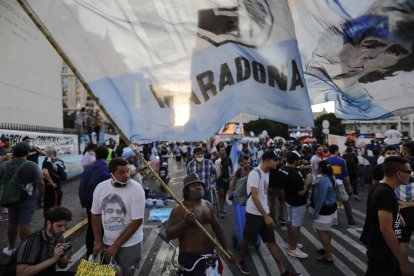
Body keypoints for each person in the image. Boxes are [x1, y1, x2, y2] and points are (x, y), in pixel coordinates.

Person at [238, 151, 299, 276]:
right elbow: (255, 197)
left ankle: (283, 270)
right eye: (274, 160)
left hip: (265, 212)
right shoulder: (255, 174)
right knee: (247, 238)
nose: (277, 162)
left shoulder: (268, 172)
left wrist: (267, 213)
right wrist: (266, 216)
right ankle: (240, 260)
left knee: (271, 240)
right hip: (254, 213)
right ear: (267, 160)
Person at [166, 173, 234, 275]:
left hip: (210, 256)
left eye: (200, 184)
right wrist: (184, 223)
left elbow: (217, 227)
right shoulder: (179, 209)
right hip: (191, 260)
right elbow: (169, 234)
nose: (199, 186)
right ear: (187, 190)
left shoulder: (207, 204)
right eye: (194, 185)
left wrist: (226, 248)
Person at [91, 157, 145, 276]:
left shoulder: (136, 189)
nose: (126, 175)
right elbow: (95, 215)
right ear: (111, 174)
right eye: (121, 172)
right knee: (108, 273)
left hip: (130, 245)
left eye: (127, 171)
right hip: (107, 242)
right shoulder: (101, 187)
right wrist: (98, 241)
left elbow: (137, 221)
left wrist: (115, 245)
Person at [362, 156, 414, 276]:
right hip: (383, 252)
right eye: (409, 171)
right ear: (399, 173)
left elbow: (378, 211)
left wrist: (396, 214)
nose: (410, 175)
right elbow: (385, 229)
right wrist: (403, 262)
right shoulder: (385, 193)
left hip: (382, 249)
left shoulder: (379, 187)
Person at [1, 142, 44, 257]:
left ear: (14, 152)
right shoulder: (31, 165)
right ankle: (25, 249)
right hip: (27, 199)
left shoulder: (5, 165)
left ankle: (11, 248)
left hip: (10, 198)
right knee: (25, 223)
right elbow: (40, 183)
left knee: (12, 222)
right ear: (27, 152)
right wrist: (41, 196)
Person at [15, 207, 74, 276]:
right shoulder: (33, 240)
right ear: (49, 223)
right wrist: (53, 259)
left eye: (65, 226)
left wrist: (65, 259)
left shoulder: (59, 237)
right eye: (59, 226)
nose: (63, 230)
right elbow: (20, 273)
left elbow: (62, 266)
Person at [280, 151, 312, 259]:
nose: (299, 161)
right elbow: (301, 192)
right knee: (296, 226)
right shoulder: (294, 174)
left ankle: (290, 243)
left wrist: (301, 169)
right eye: (298, 160)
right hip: (298, 202)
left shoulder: (283, 168)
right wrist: (307, 183)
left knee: (290, 222)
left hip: (289, 200)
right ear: (295, 161)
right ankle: (293, 250)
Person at [79, 145, 110, 257]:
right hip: (104, 205)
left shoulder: (88, 169)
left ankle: (89, 253)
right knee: (104, 229)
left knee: (91, 228)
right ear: (107, 155)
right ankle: (104, 255)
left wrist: (83, 201)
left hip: (89, 203)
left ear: (96, 155)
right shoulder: (108, 168)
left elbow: (82, 186)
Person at [312, 160, 337, 264]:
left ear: (321, 169)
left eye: (318, 167)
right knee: (326, 230)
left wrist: (315, 213)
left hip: (324, 208)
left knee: (321, 231)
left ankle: (329, 256)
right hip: (331, 207)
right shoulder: (331, 177)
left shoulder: (323, 180)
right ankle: (326, 249)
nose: (317, 169)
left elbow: (320, 199)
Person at [327, 144, 358, 228]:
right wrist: (348, 186)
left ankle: (334, 221)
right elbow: (345, 175)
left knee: (332, 203)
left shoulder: (326, 161)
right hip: (339, 184)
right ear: (337, 151)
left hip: (329, 184)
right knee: (345, 202)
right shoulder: (341, 161)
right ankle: (351, 222)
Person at [396, 142, 414, 262]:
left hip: (402, 208)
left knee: (403, 241)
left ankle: (404, 268)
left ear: (405, 151)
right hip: (407, 205)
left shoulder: (397, 165)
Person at [42, 144, 64, 221]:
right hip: (56, 188)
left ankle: (49, 226)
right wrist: (53, 183)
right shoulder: (58, 161)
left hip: (51, 189)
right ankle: (52, 226)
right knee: (55, 208)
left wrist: (51, 183)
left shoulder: (47, 160)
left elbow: (44, 172)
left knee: (49, 209)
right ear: (54, 151)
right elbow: (45, 172)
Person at [267, 154, 286, 225]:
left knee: (272, 204)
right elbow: (285, 176)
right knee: (281, 203)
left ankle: (273, 219)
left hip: (271, 187)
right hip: (280, 188)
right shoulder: (282, 167)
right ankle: (281, 219)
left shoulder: (269, 166)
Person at [216, 145, 234, 219]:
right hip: (219, 179)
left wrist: (232, 175)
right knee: (221, 193)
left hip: (226, 179)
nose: (222, 151)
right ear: (219, 151)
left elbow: (231, 167)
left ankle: (222, 205)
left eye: (223, 150)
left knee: (224, 194)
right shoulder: (216, 160)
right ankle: (222, 209)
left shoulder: (228, 158)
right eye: (221, 150)